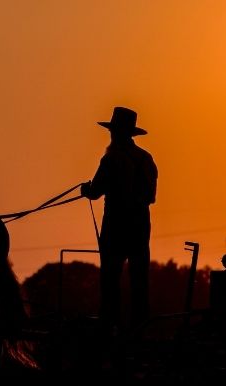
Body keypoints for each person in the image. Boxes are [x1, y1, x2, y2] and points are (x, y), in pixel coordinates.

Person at [81, 106, 158, 337]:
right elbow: (151, 197)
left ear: (115, 132)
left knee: (110, 278)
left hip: (116, 225)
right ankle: (140, 328)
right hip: (141, 225)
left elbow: (95, 191)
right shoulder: (146, 159)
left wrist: (86, 190)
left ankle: (108, 326)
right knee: (139, 279)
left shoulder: (111, 158)